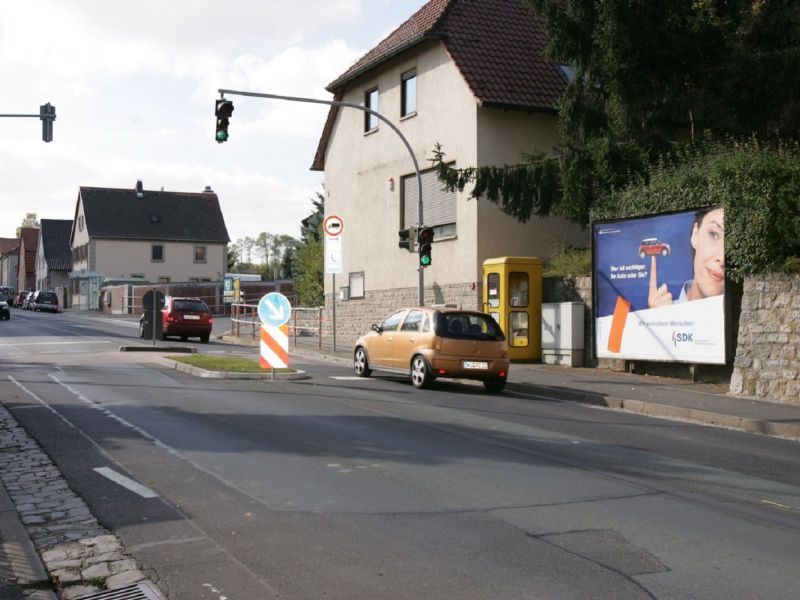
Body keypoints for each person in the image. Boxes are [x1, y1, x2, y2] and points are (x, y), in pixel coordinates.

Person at [648, 207, 725, 308]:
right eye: (714, 234)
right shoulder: (664, 311)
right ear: (695, 234)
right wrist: (657, 319)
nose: (722, 259)